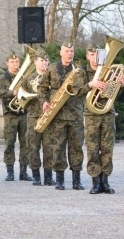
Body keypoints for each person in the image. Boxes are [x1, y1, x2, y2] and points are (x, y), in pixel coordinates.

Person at [37, 41, 87, 191]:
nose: (69, 54)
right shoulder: (52, 68)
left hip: (75, 113)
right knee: (58, 146)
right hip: (57, 114)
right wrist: (44, 101)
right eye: (66, 51)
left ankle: (76, 180)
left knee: (76, 147)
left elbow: (84, 89)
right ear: (61, 53)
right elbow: (42, 87)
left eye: (71, 51)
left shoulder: (79, 71)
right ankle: (59, 179)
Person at [84, 44, 124, 194]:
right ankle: (95, 182)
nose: (94, 57)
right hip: (91, 115)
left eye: (97, 54)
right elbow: (76, 91)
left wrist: (120, 85)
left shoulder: (108, 70)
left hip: (107, 113)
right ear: (87, 56)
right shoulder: (82, 72)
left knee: (108, 148)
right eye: (91, 54)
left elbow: (113, 94)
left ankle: (105, 182)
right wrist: (91, 84)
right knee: (93, 149)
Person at [0, 51, 32, 182]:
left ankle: (23, 171)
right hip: (10, 114)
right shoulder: (3, 78)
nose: (15, 64)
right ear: (7, 63)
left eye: (16, 62)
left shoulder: (25, 77)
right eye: (12, 62)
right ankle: (10, 171)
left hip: (24, 113)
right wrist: (12, 92)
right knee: (9, 143)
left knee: (25, 143)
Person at [25, 49, 55, 186]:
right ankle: (36, 175)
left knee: (49, 147)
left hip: (49, 116)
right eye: (42, 60)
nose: (45, 63)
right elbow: (22, 96)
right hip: (33, 115)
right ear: (35, 62)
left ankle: (48, 176)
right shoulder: (29, 78)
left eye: (46, 60)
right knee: (33, 146)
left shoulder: (53, 76)